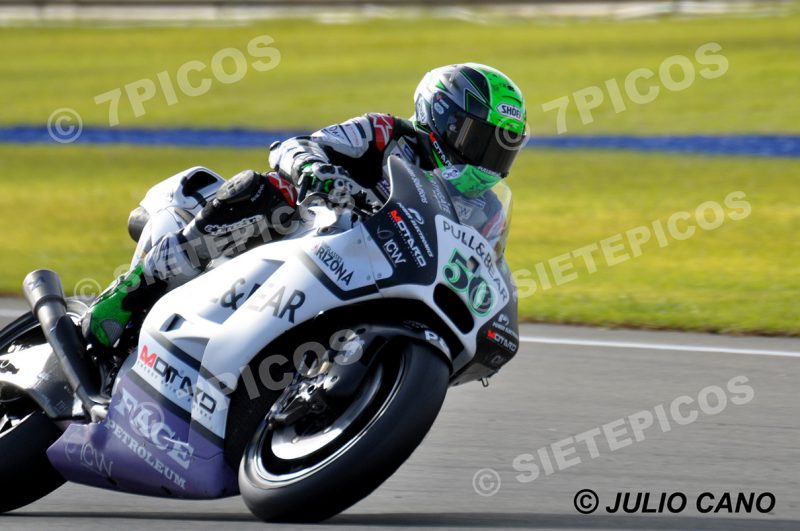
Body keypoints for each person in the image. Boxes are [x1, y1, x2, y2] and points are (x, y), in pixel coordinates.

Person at [82, 62, 528, 350]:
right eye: (479, 141)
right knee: (266, 192)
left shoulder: (483, 207)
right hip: (309, 228)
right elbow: (297, 146)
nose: (488, 160)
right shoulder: (384, 132)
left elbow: (483, 258)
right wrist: (317, 172)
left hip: (374, 271)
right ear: (442, 119)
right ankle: (131, 292)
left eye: (501, 151)